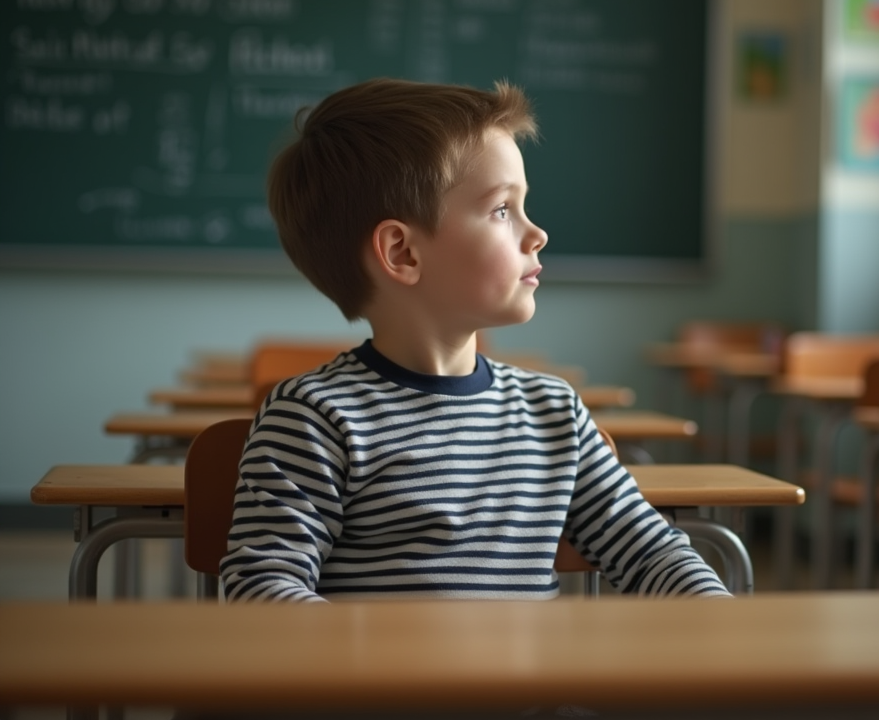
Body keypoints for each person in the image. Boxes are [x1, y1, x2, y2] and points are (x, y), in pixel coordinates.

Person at [221, 78, 729, 601]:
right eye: (502, 210)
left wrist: (719, 620)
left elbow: (650, 553)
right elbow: (263, 586)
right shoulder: (314, 418)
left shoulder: (555, 413)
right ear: (402, 254)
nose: (537, 234)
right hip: (378, 683)